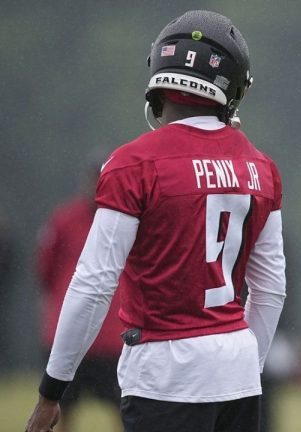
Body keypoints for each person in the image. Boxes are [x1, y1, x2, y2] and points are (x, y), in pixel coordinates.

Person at [26, 10, 286, 432]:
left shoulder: (135, 162)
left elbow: (93, 283)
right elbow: (271, 289)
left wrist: (52, 389)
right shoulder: (261, 167)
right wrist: (244, 369)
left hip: (165, 373)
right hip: (237, 368)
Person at [36, 149, 123, 432]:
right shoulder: (63, 220)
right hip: (70, 332)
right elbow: (45, 269)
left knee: (125, 412)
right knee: (60, 411)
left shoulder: (125, 218)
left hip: (112, 336)